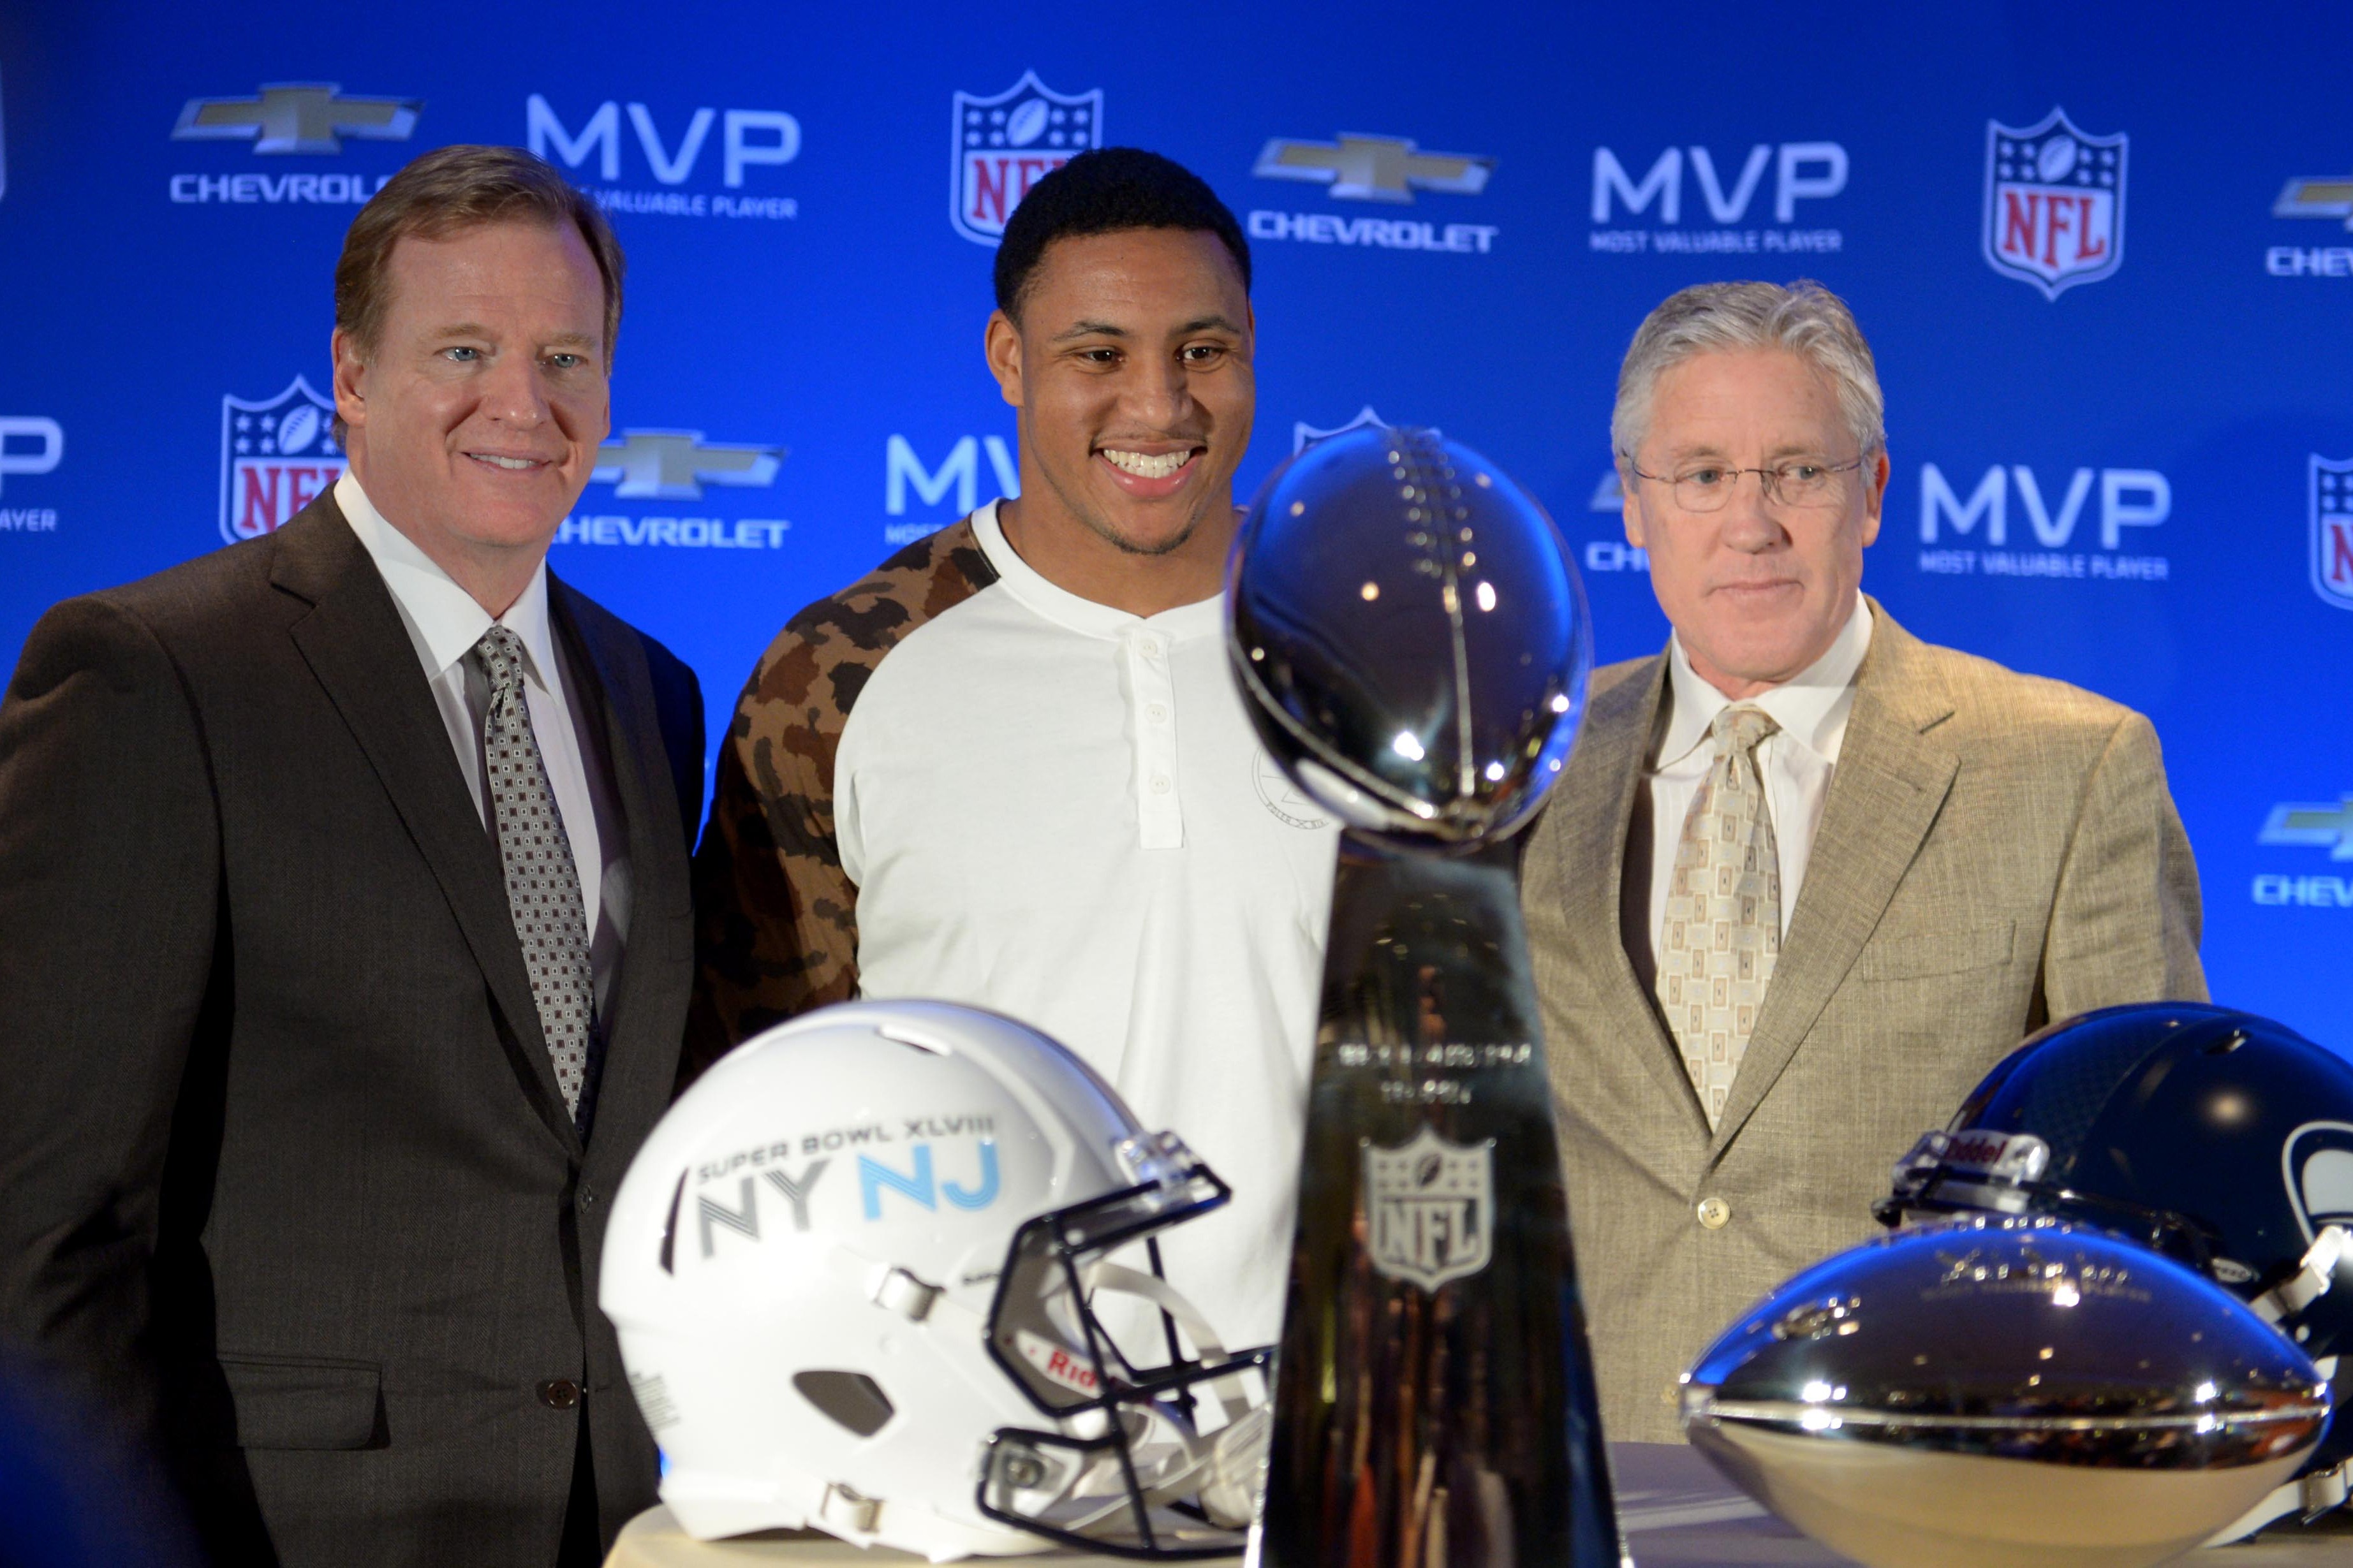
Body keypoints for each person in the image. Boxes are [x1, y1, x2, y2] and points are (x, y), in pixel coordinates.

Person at [0, 146, 704, 1564]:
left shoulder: (654, 693)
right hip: (282, 1527)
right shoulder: (157, 674)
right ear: (354, 375)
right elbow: (40, 1228)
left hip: (612, 1522)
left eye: (567, 353)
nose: (524, 400)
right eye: (464, 348)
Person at [1519, 280, 2205, 1442]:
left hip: (1916, 1473)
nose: (1751, 523)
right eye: (1699, 475)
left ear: (1871, 492)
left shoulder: (2069, 768)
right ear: (1634, 505)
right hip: (1580, 1467)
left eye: (1798, 470)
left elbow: (2151, 1193)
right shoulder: (1520, 771)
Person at [690, 148, 1338, 1345]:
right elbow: (756, 1100)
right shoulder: (836, 673)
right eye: (1098, 355)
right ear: (1008, 360)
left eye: (1204, 351)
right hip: (953, 1444)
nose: (1158, 405)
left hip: (1324, 1436)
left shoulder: (1381, 650)